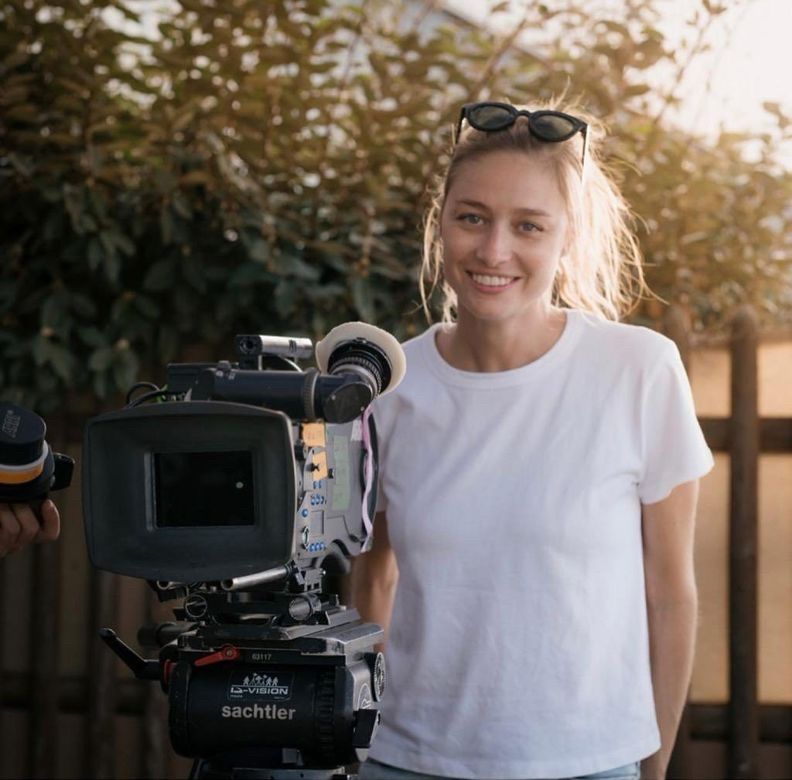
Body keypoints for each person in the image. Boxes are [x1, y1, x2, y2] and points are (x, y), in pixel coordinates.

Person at [352, 101, 714, 780]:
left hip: (591, 762)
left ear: (566, 239)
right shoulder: (391, 388)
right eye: (472, 218)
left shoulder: (639, 370)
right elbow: (373, 579)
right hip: (407, 761)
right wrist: (360, 742)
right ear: (441, 224)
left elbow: (671, 593)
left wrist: (654, 764)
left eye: (528, 226)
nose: (493, 251)